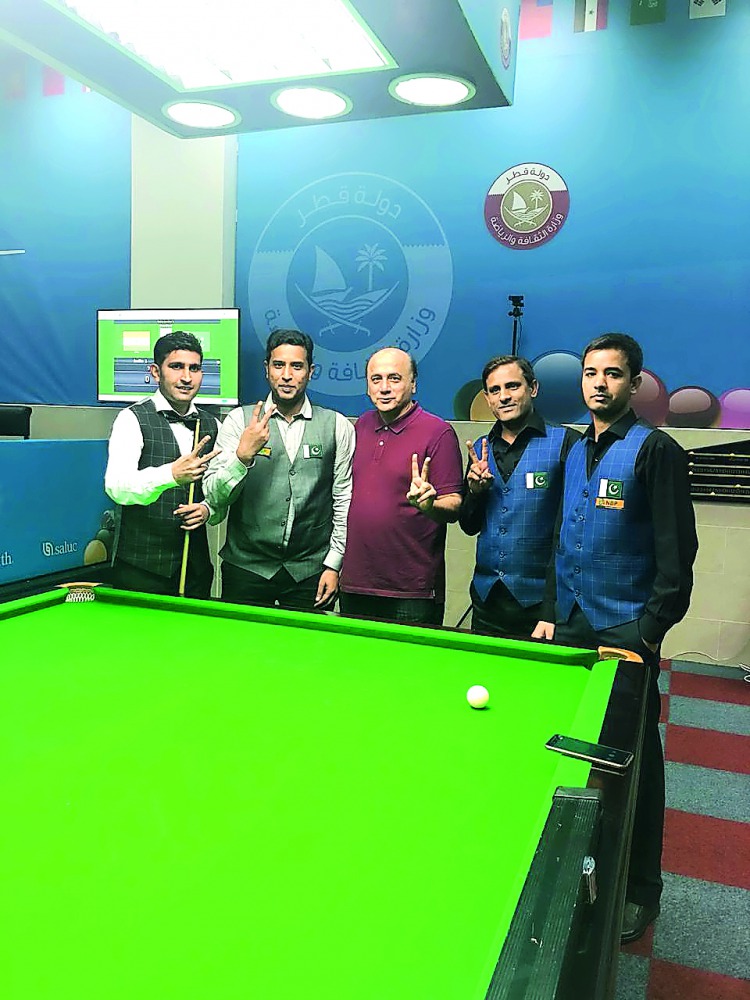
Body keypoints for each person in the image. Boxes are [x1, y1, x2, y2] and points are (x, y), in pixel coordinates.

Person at [533, 332, 698, 944]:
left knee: (633, 766)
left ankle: (639, 890)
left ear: (634, 382)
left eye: (612, 374)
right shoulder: (575, 449)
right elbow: (560, 536)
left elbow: (677, 561)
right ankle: (581, 872)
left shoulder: (658, 451)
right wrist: (551, 609)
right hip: (573, 626)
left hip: (626, 632)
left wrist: (646, 634)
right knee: (575, 755)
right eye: (590, 373)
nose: (599, 383)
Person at [203, 329, 355, 610]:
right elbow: (214, 497)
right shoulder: (238, 421)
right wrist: (242, 456)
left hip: (310, 572)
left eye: (296, 366)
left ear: (310, 371)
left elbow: (343, 500)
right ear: (267, 369)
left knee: (307, 652)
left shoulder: (337, 426)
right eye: (278, 365)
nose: (286, 375)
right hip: (246, 569)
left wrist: (334, 564)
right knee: (241, 651)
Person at [339, 347, 463, 626]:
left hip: (412, 592)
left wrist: (431, 505)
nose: (384, 388)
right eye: (376, 379)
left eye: (394, 378)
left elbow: (454, 504)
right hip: (356, 585)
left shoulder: (438, 432)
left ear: (413, 383)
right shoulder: (360, 426)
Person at [459, 355, 580, 637]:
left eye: (512, 386)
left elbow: (570, 534)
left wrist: (552, 608)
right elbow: (468, 525)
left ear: (533, 388)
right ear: (488, 399)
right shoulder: (480, 449)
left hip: (540, 606)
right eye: (495, 390)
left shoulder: (568, 443)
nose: (504, 397)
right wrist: (476, 494)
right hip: (487, 600)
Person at [105, 330, 221, 598]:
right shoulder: (131, 419)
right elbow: (117, 487)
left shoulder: (213, 424)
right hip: (141, 570)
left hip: (195, 569)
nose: (186, 377)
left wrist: (208, 509)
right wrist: (171, 474)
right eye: (176, 367)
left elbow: (221, 491)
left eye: (195, 368)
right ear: (156, 372)